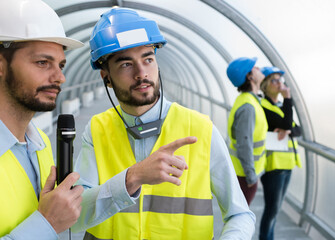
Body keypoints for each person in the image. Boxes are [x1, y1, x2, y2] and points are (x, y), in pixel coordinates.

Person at [71, 7, 255, 240]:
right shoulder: (97, 129)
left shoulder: (199, 128)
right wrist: (132, 178)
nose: (141, 73)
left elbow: (240, 215)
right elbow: (75, 217)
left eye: (148, 59)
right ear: (105, 76)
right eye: (126, 64)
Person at [0, 0, 85, 239]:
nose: (60, 77)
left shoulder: (41, 144)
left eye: (60, 65)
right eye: (42, 62)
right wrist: (46, 224)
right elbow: (50, 221)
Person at [258, 66, 302, 240]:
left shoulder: (280, 106)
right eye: (274, 80)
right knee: (272, 209)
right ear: (265, 85)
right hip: (274, 166)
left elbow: (296, 129)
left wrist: (289, 129)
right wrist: (288, 98)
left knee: (276, 210)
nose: (279, 84)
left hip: (287, 164)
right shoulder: (263, 106)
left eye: (280, 80)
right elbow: (286, 124)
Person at [226, 57, 268, 205]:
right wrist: (251, 177)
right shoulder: (248, 107)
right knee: (240, 221)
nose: (259, 68)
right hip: (244, 175)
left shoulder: (247, 100)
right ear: (249, 76)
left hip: (243, 172)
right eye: (255, 67)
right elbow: (244, 144)